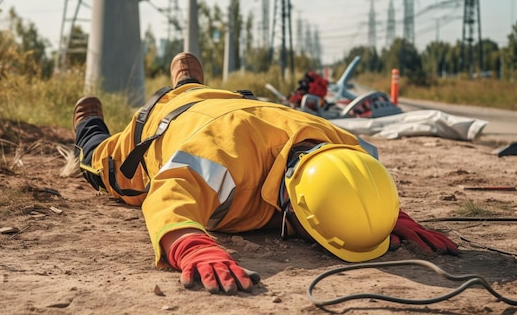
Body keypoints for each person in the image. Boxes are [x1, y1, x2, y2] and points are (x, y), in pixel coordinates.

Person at [73, 52, 459, 295]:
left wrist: (384, 214)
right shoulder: (220, 162)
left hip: (225, 101)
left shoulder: (337, 140)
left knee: (196, 94)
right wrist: (190, 244)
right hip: (162, 121)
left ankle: (188, 80)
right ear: (295, 206)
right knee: (100, 163)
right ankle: (88, 121)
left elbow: (360, 171)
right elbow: (168, 196)